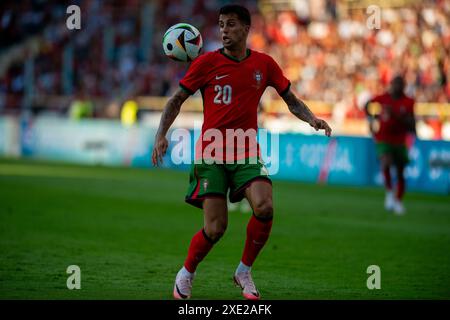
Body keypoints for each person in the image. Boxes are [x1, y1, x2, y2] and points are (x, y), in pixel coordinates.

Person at [152, 4, 331, 300]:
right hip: (211, 155)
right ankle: (186, 272)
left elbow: (290, 98)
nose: (224, 30)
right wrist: (161, 135)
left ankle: (244, 270)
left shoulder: (264, 64)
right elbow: (175, 100)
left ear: (247, 29)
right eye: (221, 25)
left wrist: (312, 118)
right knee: (216, 228)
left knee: (265, 207)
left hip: (246, 151)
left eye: (231, 24)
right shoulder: (206, 63)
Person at [365, 75, 416, 215]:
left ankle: (398, 200)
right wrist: (370, 120)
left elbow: (411, 123)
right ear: (391, 84)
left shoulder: (408, 102)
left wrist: (396, 116)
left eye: (400, 84)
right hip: (383, 139)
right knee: (385, 162)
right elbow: (367, 104)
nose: (397, 87)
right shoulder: (383, 98)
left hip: (400, 141)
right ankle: (389, 191)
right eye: (395, 84)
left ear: (404, 86)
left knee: (400, 172)